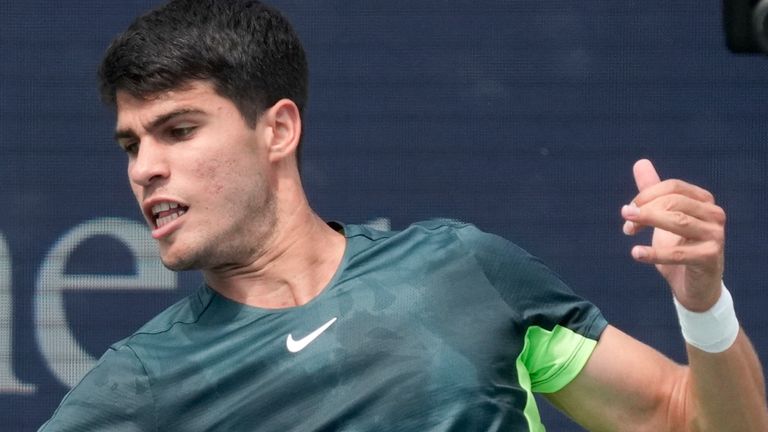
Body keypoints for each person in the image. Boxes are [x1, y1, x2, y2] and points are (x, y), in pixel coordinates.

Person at [39, 0, 768, 430]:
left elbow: (688, 420)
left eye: (178, 130)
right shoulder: (140, 385)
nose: (144, 168)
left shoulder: (461, 269)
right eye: (132, 144)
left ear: (278, 130)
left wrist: (704, 307)